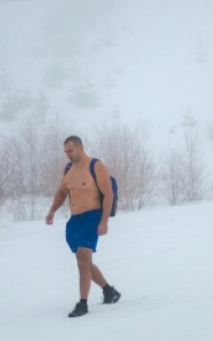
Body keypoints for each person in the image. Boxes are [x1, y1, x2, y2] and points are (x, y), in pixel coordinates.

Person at [45, 135, 121, 317]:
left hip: (92, 216)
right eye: (65, 152)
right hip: (74, 220)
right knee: (84, 262)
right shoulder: (68, 169)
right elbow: (62, 192)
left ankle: (83, 303)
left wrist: (104, 221)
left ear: (80, 148)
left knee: (83, 259)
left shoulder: (96, 166)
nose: (67, 155)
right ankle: (109, 290)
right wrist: (52, 211)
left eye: (70, 151)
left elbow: (108, 195)